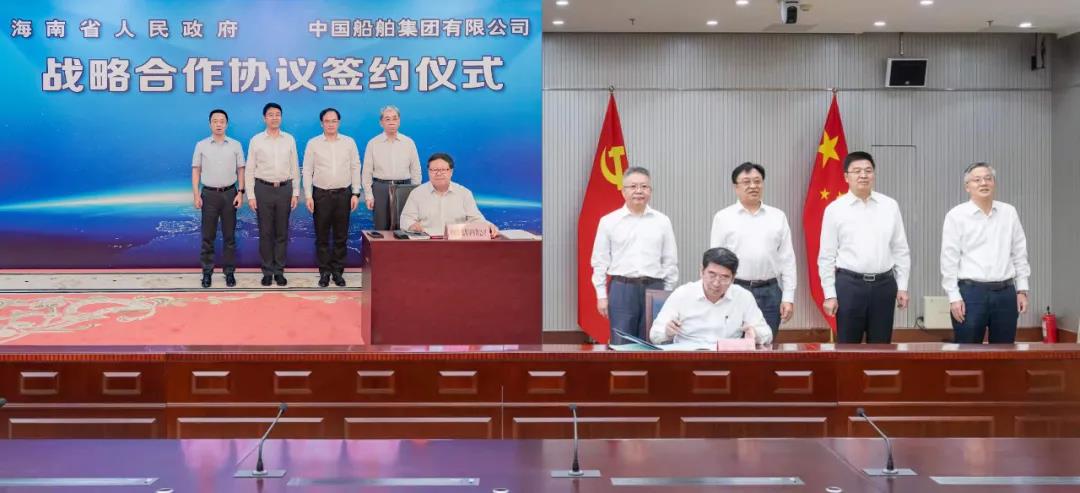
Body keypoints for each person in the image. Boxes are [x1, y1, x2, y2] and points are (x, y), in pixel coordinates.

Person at [818, 151, 910, 343]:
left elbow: (900, 249)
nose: (863, 175)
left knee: (881, 347)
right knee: (848, 348)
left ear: (874, 174)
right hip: (849, 286)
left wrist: (902, 286)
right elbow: (826, 256)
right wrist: (829, 294)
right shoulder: (835, 209)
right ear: (846, 177)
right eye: (857, 171)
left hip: (884, 285)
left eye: (868, 170)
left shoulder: (889, 206)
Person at [940, 162, 1030, 344]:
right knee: (967, 351)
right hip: (971, 293)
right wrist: (953, 297)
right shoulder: (956, 215)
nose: (983, 183)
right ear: (967, 186)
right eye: (977, 180)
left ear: (994, 183)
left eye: (988, 178)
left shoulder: (1009, 212)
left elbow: (1019, 253)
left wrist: (1022, 290)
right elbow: (949, 260)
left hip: (1005, 292)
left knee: (1004, 351)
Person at [591, 167, 679, 343]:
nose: (639, 191)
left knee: (654, 342)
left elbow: (670, 261)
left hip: (654, 288)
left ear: (650, 191)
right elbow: (599, 262)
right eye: (633, 186)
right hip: (622, 289)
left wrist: (667, 294)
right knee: (621, 344)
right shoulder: (609, 221)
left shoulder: (662, 221)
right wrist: (601, 296)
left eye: (644, 186)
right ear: (623, 191)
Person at [709, 162, 796, 339]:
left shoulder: (777, 216)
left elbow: (787, 260)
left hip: (770, 292)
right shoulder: (723, 217)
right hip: (734, 290)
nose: (753, 186)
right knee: (733, 345)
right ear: (736, 187)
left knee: (767, 344)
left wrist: (788, 297)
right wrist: (717, 293)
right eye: (746, 182)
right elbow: (715, 261)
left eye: (757, 181)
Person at [649, 247, 772, 347]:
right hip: (688, 359)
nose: (716, 283)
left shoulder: (743, 297)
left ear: (733, 278)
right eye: (712, 275)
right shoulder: (682, 294)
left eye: (724, 277)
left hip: (727, 360)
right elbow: (654, 335)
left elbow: (767, 334)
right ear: (702, 271)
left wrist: (755, 334)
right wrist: (667, 332)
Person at [302, 108, 362, 288]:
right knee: (321, 237)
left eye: (334, 121)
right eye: (327, 121)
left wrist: (356, 193)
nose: (330, 124)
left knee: (340, 236)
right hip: (321, 195)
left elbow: (355, 167)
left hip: (344, 194)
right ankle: (324, 272)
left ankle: (337, 271)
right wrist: (308, 195)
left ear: (339, 123)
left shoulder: (349, 142)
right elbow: (307, 170)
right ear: (322, 123)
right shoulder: (313, 143)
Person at [245, 102, 300, 287]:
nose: (274, 117)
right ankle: (267, 271)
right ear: (264, 118)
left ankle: (279, 271)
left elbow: (294, 167)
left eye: (277, 114)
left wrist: (295, 192)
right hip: (263, 189)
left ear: (281, 117)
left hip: (285, 189)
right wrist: (251, 195)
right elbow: (250, 168)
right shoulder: (256, 140)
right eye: (271, 114)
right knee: (266, 232)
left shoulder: (289, 139)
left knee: (282, 232)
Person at [191, 109, 245, 288]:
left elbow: (241, 170)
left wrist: (241, 192)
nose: (219, 124)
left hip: (230, 194)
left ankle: (229, 272)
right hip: (209, 195)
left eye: (222, 121)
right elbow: (196, 170)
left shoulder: (235, 145)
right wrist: (196, 194)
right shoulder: (201, 145)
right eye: (215, 121)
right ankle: (207, 272)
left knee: (229, 236)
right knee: (208, 236)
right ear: (210, 124)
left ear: (227, 124)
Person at [399, 152, 498, 237]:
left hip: (457, 242)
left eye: (443, 170)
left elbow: (475, 219)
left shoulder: (464, 193)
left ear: (451, 172)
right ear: (428, 172)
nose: (438, 173)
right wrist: (412, 225)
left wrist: (487, 225)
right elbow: (406, 219)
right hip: (427, 241)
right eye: (434, 170)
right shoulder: (417, 193)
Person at [361, 106, 421, 230]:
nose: (392, 122)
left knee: (404, 226)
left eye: (395, 118)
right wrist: (368, 195)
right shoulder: (373, 143)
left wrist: (416, 192)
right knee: (381, 227)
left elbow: (415, 170)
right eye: (387, 119)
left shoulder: (408, 142)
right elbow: (366, 172)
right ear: (381, 122)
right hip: (380, 188)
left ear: (399, 121)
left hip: (404, 187)